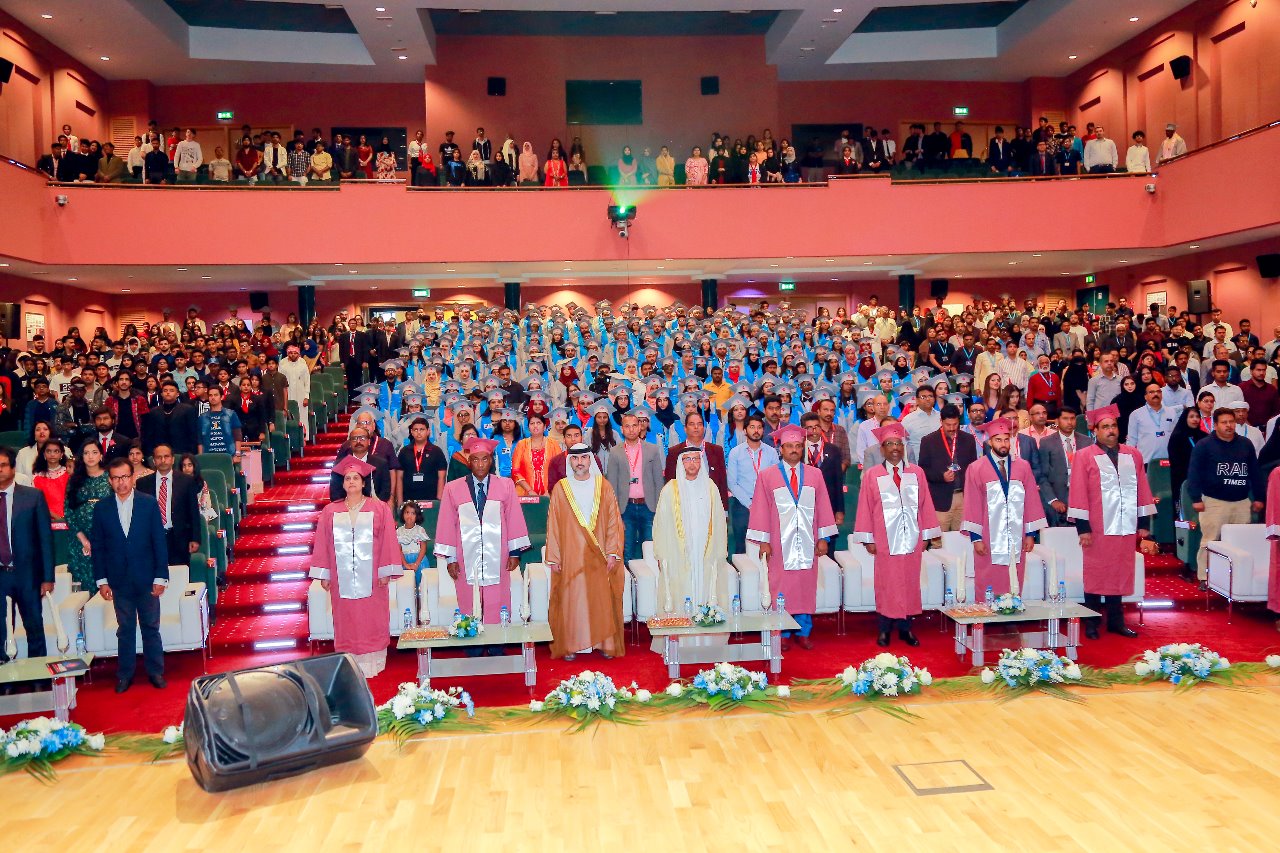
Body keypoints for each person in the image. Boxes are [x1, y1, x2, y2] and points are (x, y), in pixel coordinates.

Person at [1067, 405, 1157, 639]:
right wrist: (1083, 528)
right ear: (1095, 431)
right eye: (1105, 426)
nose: (1110, 430)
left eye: (1113, 426)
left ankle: (1116, 622)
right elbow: (1078, 492)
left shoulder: (1133, 454)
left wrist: (1143, 523)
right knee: (1096, 573)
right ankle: (1092, 622)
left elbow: (1142, 488)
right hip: (1097, 527)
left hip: (1125, 526)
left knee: (1119, 572)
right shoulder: (1084, 456)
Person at [308, 456, 403, 678]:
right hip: (341, 578)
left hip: (373, 577)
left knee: (372, 617)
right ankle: (350, 664)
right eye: (348, 478)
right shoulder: (330, 511)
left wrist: (385, 571)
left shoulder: (379, 508)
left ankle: (372, 663)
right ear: (342, 484)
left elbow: (388, 541)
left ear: (363, 482)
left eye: (356, 478)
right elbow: (323, 543)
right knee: (346, 619)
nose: (351, 481)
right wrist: (324, 574)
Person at [746, 423, 838, 651]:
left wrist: (823, 537)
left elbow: (823, 506)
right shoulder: (767, 476)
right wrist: (764, 541)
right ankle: (783, 632)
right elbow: (760, 509)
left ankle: (804, 631)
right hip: (779, 543)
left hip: (808, 541)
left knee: (805, 586)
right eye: (789, 446)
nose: (794, 450)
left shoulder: (815, 474)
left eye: (798, 445)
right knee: (781, 587)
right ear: (781, 449)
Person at [853, 422, 941, 647]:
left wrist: (927, 536)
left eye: (898, 443)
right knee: (887, 584)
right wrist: (868, 539)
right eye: (889, 444)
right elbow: (865, 508)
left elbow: (925, 505)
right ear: (882, 449)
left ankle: (905, 629)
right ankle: (884, 629)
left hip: (912, 539)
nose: (895, 448)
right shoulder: (873, 475)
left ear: (903, 447)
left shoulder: (917, 473)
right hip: (884, 540)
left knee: (909, 583)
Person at [434, 437, 530, 628]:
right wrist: (451, 558)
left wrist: (514, 552)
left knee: (498, 595)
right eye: (475, 459)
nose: (480, 464)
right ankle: (470, 634)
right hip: (464, 555)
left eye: (484, 459)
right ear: (469, 461)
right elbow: (447, 523)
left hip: (498, 554)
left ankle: (497, 636)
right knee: (468, 597)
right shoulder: (453, 488)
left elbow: (513, 518)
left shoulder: (506, 485)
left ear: (491, 460)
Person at [91, 457, 169, 692]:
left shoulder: (149, 503)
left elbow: (158, 542)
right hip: (119, 580)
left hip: (147, 578)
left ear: (133, 477)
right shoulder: (102, 508)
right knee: (124, 629)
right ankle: (125, 674)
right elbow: (98, 547)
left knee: (151, 627)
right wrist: (102, 580)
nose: (121, 482)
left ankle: (155, 672)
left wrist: (161, 577)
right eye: (116, 478)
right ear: (110, 481)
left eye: (125, 477)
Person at [545, 443, 626, 661]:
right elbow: (553, 524)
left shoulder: (603, 486)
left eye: (583, 458)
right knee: (573, 598)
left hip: (599, 554)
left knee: (601, 598)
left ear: (590, 460)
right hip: (570, 554)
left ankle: (604, 643)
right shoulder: (561, 488)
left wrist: (612, 552)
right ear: (569, 461)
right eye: (575, 458)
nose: (579, 462)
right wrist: (554, 557)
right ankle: (571, 644)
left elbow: (613, 522)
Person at [961, 418, 1047, 596]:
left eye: (1006, 439)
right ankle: (987, 610)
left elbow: (1031, 500)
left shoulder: (1023, 467)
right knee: (988, 577)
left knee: (1014, 575)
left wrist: (1030, 534)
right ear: (989, 442)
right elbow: (972, 504)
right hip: (988, 535)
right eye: (998, 440)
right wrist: (976, 539)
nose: (1003, 444)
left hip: (1017, 534)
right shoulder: (976, 468)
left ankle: (1012, 608)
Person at [1186, 408, 1265, 587]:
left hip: (1241, 501)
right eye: (1224, 422)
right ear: (1215, 425)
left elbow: (1255, 472)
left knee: (1240, 542)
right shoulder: (1204, 445)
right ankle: (1205, 578)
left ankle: (1238, 578)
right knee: (1210, 541)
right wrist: (1196, 498)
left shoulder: (1245, 444)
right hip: (1214, 502)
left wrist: (1259, 497)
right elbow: (1194, 473)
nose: (1229, 425)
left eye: (1231, 422)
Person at [652, 446, 729, 614]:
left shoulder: (710, 487)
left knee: (705, 583)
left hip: (705, 547)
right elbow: (660, 524)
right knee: (681, 585)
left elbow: (719, 521)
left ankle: (705, 621)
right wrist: (661, 553)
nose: (692, 463)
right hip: (679, 550)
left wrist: (720, 549)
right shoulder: (670, 489)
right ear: (681, 463)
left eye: (696, 459)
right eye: (687, 459)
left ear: (701, 462)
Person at [0, 447, 55, 661]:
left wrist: (48, 578)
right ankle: (5, 676)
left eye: (3, 465)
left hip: (28, 575)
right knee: (2, 632)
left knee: (34, 629)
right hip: (1, 576)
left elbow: (45, 540)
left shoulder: (32, 497)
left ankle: (39, 675)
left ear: (13, 468)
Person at [603, 412, 664, 569]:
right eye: (627, 426)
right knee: (627, 550)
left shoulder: (652, 450)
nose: (631, 430)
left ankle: (651, 582)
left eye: (634, 426)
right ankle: (627, 582)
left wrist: (659, 508)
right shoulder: (615, 452)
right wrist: (616, 512)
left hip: (649, 507)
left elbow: (658, 481)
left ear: (640, 427)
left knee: (650, 550)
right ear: (622, 429)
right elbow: (612, 485)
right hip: (626, 508)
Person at [135, 444, 201, 567]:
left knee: (179, 574)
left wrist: (195, 538)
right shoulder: (142, 483)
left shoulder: (186, 481)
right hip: (152, 538)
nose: (163, 460)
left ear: (173, 459)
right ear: (154, 461)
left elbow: (193, 512)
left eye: (166, 456)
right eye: (159, 457)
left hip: (179, 538)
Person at [918, 403, 979, 532]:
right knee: (940, 539)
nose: (952, 428)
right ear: (941, 421)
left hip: (963, 498)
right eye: (948, 425)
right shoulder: (928, 441)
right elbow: (923, 470)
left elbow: (973, 468)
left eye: (955, 424)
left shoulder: (968, 439)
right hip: (940, 499)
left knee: (962, 538)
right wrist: (941, 477)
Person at [1035, 408, 1093, 526]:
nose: (1069, 422)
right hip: (1056, 498)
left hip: (1082, 499)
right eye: (1065, 419)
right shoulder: (1046, 442)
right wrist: (1053, 500)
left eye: (1072, 419)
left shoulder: (1087, 442)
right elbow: (1042, 476)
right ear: (1057, 421)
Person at [65, 441, 109, 591]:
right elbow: (68, 511)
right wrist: (83, 539)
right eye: (86, 453)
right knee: (83, 581)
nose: (90, 456)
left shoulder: (110, 477)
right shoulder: (74, 479)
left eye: (94, 452)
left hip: (106, 537)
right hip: (79, 538)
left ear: (101, 455)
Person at [664, 411, 729, 507]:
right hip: (684, 504)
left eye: (699, 424)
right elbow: (670, 483)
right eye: (692, 424)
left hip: (711, 503)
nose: (696, 427)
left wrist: (724, 508)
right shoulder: (674, 452)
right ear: (685, 429)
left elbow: (722, 482)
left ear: (704, 428)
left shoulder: (716, 450)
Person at [1126, 383, 1179, 464]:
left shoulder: (1171, 412)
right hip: (1146, 461)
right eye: (1151, 392)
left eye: (1158, 392)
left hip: (1169, 461)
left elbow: (1176, 437)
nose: (1156, 394)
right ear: (1145, 396)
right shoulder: (1136, 414)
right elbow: (1132, 440)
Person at [397, 417, 447, 502]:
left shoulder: (437, 451)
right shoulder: (404, 452)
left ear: (428, 431)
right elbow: (399, 477)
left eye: (422, 429)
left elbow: (441, 477)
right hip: (408, 501)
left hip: (431, 500)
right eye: (415, 430)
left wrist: (439, 501)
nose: (419, 432)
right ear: (411, 432)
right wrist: (400, 502)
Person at [31, 437, 70, 520]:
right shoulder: (37, 477)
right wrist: (56, 517)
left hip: (69, 517)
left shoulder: (69, 474)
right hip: (45, 518)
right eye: (48, 451)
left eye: (56, 451)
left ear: (62, 454)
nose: (52, 454)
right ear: (44, 454)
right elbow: (37, 503)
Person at [397, 501, 430, 586]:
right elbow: (398, 549)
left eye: (413, 513)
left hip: (419, 560)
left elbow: (423, 548)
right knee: (406, 585)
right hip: (404, 560)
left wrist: (416, 564)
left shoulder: (420, 530)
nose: (409, 516)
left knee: (422, 583)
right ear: (403, 514)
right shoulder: (399, 531)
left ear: (417, 516)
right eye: (407, 512)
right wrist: (405, 564)